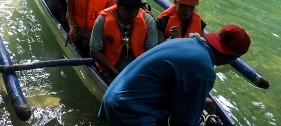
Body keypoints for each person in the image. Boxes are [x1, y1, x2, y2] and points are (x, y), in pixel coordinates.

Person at [98, 24, 251, 126]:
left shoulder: (187, 42)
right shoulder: (204, 70)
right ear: (233, 57)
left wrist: (200, 100)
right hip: (130, 110)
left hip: (113, 98)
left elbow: (167, 82)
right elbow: (184, 121)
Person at [90, 0, 158, 83]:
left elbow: (151, 53)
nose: (133, 13)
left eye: (136, 9)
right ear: (118, 4)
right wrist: (115, 73)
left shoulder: (148, 21)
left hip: (138, 70)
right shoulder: (102, 20)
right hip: (111, 70)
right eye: (129, 9)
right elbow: (94, 51)